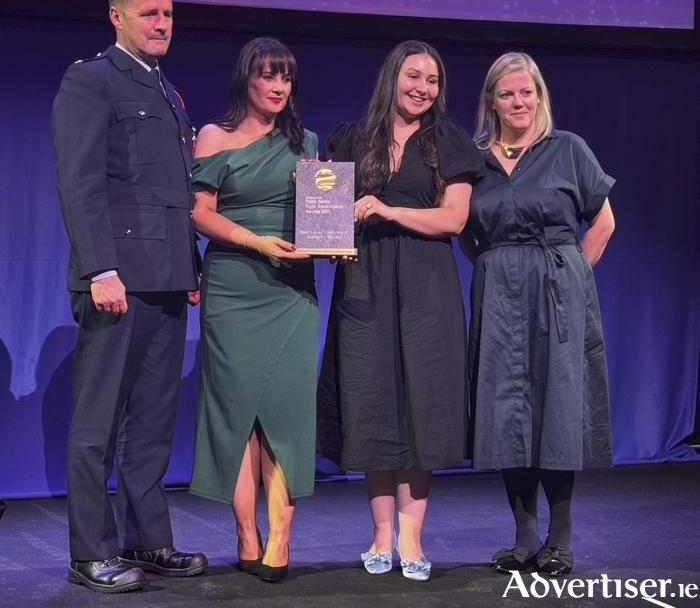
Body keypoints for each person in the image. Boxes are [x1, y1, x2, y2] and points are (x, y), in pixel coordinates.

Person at [51, 0, 208, 593]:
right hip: (116, 278)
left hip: (168, 278)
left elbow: (170, 194)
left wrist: (188, 269)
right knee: (96, 423)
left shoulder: (167, 93)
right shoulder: (90, 80)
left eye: (169, 14)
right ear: (117, 17)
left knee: (151, 423)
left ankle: (147, 541)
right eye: (150, 14)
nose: (163, 23)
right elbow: (81, 182)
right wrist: (99, 268)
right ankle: (89, 551)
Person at [316, 40, 484, 581]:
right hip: (363, 282)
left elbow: (455, 219)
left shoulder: (448, 140)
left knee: (422, 408)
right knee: (372, 405)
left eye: (432, 80)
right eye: (413, 76)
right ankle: (380, 537)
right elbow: (323, 207)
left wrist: (387, 208)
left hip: (426, 287)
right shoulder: (351, 138)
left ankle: (412, 538)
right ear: (392, 77)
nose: (422, 88)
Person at [459, 52, 615, 577]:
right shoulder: (474, 161)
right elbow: (463, 228)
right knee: (508, 410)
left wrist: (572, 273)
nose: (518, 101)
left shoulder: (567, 148)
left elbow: (604, 222)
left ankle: (561, 538)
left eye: (527, 92)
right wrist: (496, 266)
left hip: (558, 291)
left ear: (540, 96)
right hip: (499, 293)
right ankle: (524, 537)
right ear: (491, 101)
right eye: (506, 93)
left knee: (557, 409)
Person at [189, 37, 319, 583]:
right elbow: (200, 213)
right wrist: (256, 242)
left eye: (285, 77)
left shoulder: (306, 141)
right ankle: (246, 534)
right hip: (234, 287)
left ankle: (282, 536)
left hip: (290, 291)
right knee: (236, 418)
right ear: (246, 79)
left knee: (286, 415)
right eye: (268, 76)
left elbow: (321, 214)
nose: (277, 86)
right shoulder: (213, 136)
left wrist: (332, 238)